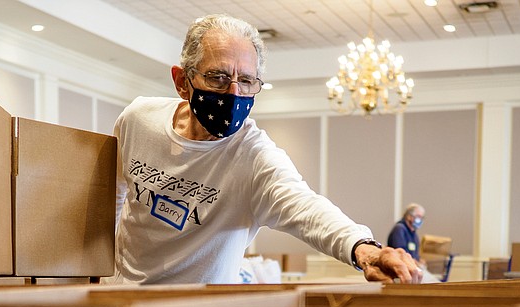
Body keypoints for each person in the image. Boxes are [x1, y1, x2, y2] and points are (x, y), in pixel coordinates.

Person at [111, 14, 422, 285]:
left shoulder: (254, 156)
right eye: (218, 78)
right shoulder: (138, 119)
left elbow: (306, 208)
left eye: (246, 81)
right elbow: (109, 197)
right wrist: (94, 273)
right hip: (119, 299)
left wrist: (365, 250)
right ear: (182, 81)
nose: (233, 93)